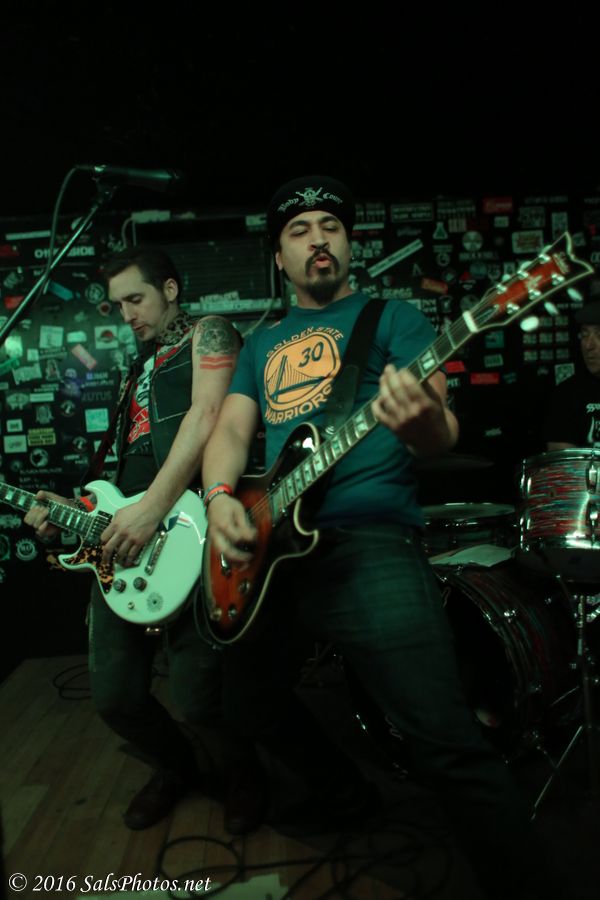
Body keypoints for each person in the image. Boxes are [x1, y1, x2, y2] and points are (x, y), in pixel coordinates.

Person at [201, 176, 566, 900]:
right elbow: (232, 431)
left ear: (348, 243)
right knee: (242, 705)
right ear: (279, 256)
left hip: (369, 541)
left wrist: (421, 422)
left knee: (447, 742)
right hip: (272, 553)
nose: (318, 239)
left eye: (330, 226)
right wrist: (218, 498)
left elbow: (440, 429)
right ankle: (347, 794)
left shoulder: (392, 318)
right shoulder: (262, 343)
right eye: (300, 229)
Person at [24, 245, 263, 833]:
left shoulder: (208, 334)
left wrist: (152, 510)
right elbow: (121, 480)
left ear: (170, 290)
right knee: (114, 696)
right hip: (122, 541)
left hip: (186, 529)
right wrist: (72, 513)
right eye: (117, 304)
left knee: (201, 696)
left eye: (136, 298)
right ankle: (178, 767)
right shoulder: (139, 367)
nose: (126, 314)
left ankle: (243, 776)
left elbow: (208, 417)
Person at [544, 284, 600, 449]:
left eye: (599, 335)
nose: (588, 345)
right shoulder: (567, 394)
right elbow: (561, 457)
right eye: (584, 334)